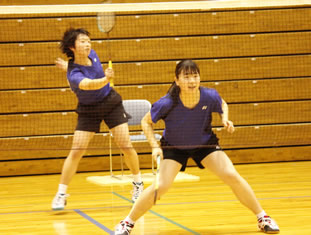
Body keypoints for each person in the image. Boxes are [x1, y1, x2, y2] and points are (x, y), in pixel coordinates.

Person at [115, 60, 280, 234]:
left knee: (231, 174)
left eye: (195, 76)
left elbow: (222, 104)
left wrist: (224, 118)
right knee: (160, 186)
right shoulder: (167, 102)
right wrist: (154, 145)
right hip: (174, 146)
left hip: (205, 144)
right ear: (177, 80)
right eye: (186, 77)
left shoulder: (209, 96)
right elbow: (145, 121)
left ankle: (262, 218)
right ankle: (127, 222)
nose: (192, 81)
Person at [52, 28, 144, 210]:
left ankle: (138, 184)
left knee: (125, 145)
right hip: (89, 109)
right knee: (77, 150)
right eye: (82, 41)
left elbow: (86, 69)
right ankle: (61, 193)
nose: (87, 44)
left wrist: (67, 66)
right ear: (72, 47)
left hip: (111, 103)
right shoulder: (74, 74)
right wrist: (105, 79)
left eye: (88, 40)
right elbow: (88, 84)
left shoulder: (92, 54)